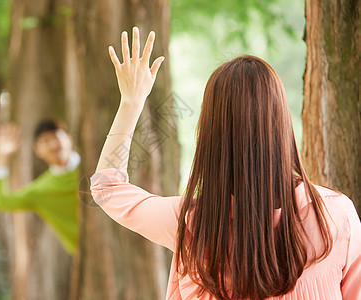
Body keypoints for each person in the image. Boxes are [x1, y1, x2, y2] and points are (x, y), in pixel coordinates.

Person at [89, 27, 361, 299]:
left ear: (210, 135)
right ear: (281, 124)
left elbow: (106, 188)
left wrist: (131, 102)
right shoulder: (336, 216)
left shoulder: (193, 223)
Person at [0, 120, 80, 254]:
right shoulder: (41, 191)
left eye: (57, 136)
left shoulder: (99, 167)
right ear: (37, 150)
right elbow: (0, 201)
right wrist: (2, 157)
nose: (54, 144)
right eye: (46, 140)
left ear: (69, 139)